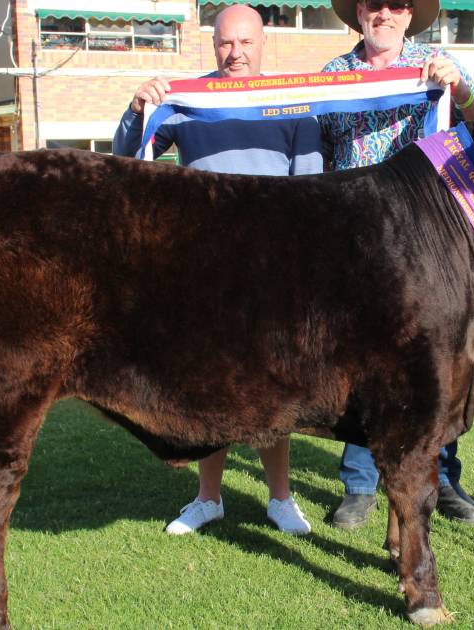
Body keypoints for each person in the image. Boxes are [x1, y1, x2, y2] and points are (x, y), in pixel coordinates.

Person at [112, 4, 322, 536]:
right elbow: (130, 160)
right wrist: (138, 110)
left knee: (276, 385)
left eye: (246, 43)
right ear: (213, 46)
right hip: (202, 272)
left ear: (263, 44)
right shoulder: (187, 100)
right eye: (227, 43)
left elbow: (311, 190)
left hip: (273, 271)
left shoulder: (292, 103)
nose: (237, 53)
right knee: (211, 384)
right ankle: (208, 498)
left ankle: (280, 498)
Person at [320, 0, 474, 529]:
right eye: (374, 3)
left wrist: (459, 91)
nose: (385, 13)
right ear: (360, 12)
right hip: (354, 240)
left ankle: (442, 479)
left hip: (427, 241)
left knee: (434, 361)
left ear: (409, 14)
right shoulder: (331, 75)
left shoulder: (439, 63)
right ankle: (359, 484)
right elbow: (315, 148)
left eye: (397, 4)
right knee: (356, 361)